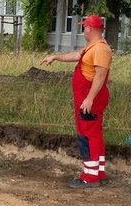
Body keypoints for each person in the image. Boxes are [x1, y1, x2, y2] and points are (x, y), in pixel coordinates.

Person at [41, 15, 113, 188]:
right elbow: (76, 55)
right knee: (93, 134)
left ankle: (90, 177)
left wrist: (89, 99)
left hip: (90, 100)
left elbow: (100, 76)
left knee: (87, 135)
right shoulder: (92, 47)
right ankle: (98, 173)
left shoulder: (100, 49)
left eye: (84, 27)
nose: (83, 30)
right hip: (87, 98)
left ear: (89, 28)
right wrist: (55, 57)